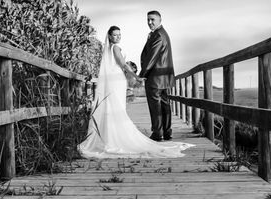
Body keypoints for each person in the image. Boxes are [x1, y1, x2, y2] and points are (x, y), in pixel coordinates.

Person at [78, 26, 191, 159]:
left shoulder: (108, 49)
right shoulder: (115, 48)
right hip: (117, 80)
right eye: (115, 35)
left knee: (113, 107)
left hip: (115, 80)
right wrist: (136, 76)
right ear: (109, 36)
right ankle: (116, 137)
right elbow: (123, 65)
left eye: (119, 34)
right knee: (117, 107)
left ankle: (110, 135)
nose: (118, 37)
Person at [139, 10, 174, 141]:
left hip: (155, 77)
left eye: (152, 19)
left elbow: (151, 57)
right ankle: (167, 132)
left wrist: (142, 74)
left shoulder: (158, 35)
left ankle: (157, 134)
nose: (149, 22)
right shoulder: (162, 33)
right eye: (148, 19)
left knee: (155, 106)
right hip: (163, 78)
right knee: (164, 105)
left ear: (160, 20)